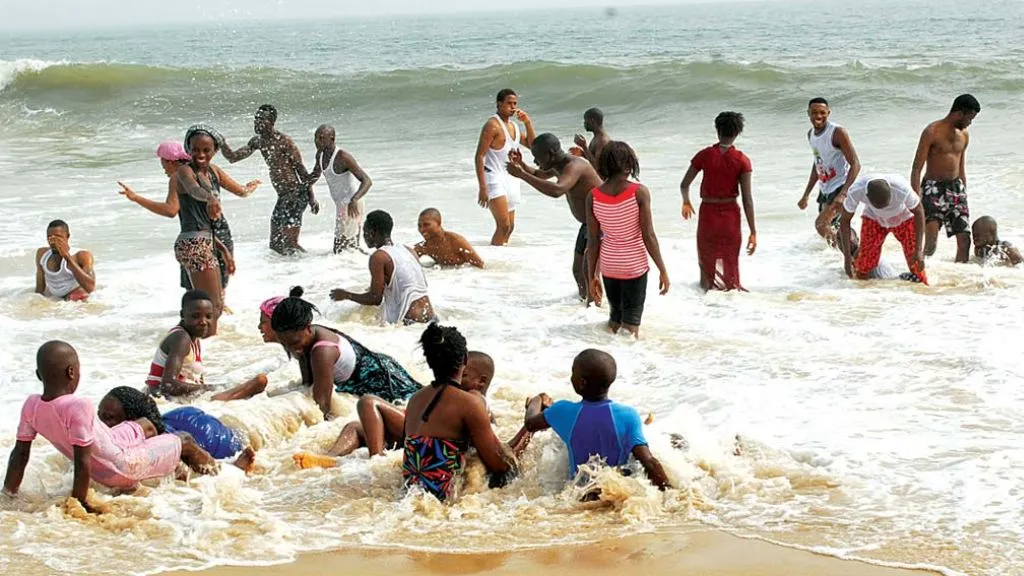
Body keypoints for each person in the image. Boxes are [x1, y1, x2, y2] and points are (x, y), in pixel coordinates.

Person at [3, 342, 211, 512]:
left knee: (145, 425)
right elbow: (82, 460)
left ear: (39, 375)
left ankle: (171, 467)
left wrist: (8, 494)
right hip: (122, 466)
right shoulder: (78, 405)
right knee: (184, 439)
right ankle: (220, 477)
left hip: (110, 447)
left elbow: (20, 455)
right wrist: (79, 502)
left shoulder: (31, 404)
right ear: (72, 372)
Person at [292, 350, 496, 469]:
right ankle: (332, 459)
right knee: (354, 427)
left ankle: (376, 460)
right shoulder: (467, 399)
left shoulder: (474, 399)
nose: (457, 378)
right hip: (414, 434)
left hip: (417, 434)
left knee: (368, 401)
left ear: (481, 382)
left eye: (464, 375)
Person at [118, 140, 260, 296]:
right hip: (220, 232)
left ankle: (209, 315)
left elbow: (171, 210)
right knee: (219, 290)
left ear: (171, 162)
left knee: (196, 293)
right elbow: (242, 191)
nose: (164, 169)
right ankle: (219, 315)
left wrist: (136, 198)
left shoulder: (178, 176)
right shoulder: (212, 170)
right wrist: (250, 187)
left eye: (163, 164)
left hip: (197, 238)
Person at [402, 323, 518, 502]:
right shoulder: (469, 403)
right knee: (510, 473)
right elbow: (498, 464)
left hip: (409, 494)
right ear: (464, 360)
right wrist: (529, 430)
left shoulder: (415, 400)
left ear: (429, 361)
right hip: (445, 500)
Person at [523, 349, 669, 491]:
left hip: (580, 493)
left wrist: (537, 400)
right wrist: (669, 494)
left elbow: (530, 424)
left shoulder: (562, 411)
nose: (570, 377)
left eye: (573, 372)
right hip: (615, 491)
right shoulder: (629, 415)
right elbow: (648, 462)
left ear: (582, 383)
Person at [270, 287, 422, 418]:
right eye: (285, 344)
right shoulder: (305, 338)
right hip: (375, 369)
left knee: (420, 409)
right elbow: (308, 385)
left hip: (383, 380)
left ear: (308, 327)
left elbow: (322, 405)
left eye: (295, 343)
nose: (292, 348)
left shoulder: (322, 351)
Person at [587, 142, 670, 337]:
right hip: (633, 266)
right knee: (631, 326)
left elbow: (593, 240)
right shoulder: (639, 192)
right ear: (629, 164)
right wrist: (663, 270)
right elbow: (648, 235)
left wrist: (593, 275)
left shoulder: (593, 196)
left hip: (609, 265)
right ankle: (630, 361)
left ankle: (612, 355)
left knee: (615, 320)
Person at [507, 133, 603, 300]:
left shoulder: (574, 165)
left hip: (601, 223)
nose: (536, 162)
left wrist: (521, 175)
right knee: (578, 270)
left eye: (537, 157)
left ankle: (596, 308)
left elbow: (557, 190)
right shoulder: (557, 165)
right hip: (588, 224)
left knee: (590, 271)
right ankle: (585, 306)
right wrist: (521, 164)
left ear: (550, 154)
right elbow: (539, 175)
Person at [220, 104, 320, 255]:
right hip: (283, 197)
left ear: (271, 122)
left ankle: (311, 266)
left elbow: (301, 171)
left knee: (291, 244)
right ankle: (289, 273)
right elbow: (233, 158)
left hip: (296, 195)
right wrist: (221, 142)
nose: (257, 122)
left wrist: (312, 198)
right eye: (256, 119)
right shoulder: (258, 141)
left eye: (262, 120)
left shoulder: (283, 140)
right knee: (275, 245)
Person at [169, 126, 238, 335]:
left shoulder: (212, 173)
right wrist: (209, 197)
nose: (200, 154)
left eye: (206, 150)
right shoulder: (184, 171)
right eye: (195, 149)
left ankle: (195, 347)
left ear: (214, 151)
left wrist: (224, 251)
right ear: (188, 149)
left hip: (205, 242)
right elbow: (193, 190)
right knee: (212, 307)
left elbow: (207, 227)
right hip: (194, 244)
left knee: (212, 307)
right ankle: (196, 349)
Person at [679, 112, 757, 291]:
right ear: (738, 132)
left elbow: (684, 184)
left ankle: (705, 301)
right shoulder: (742, 160)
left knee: (707, 259)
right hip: (730, 215)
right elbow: (747, 199)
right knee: (730, 258)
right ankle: (730, 299)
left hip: (708, 213)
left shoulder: (704, 155)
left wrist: (686, 202)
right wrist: (753, 230)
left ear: (717, 130)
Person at [98, 387, 256, 472]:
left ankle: (235, 468)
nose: (102, 424)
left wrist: (227, 472)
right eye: (100, 417)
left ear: (134, 422)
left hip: (207, 434)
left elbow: (187, 446)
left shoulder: (159, 446)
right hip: (176, 419)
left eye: (109, 418)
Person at [146, 290, 268, 400]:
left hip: (177, 398)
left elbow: (196, 380)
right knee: (252, 385)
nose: (204, 322)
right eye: (195, 316)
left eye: (208, 316)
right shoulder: (181, 338)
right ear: (182, 314)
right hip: (162, 400)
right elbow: (168, 385)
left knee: (244, 387)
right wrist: (210, 388)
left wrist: (207, 389)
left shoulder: (193, 338)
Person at [330, 210, 435, 325]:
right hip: (430, 316)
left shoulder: (379, 257)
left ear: (372, 232)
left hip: (411, 321)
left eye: (365, 232)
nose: (364, 236)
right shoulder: (408, 250)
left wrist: (346, 295)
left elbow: (375, 299)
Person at [910, 94, 981, 263]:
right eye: (969, 118)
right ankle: (919, 277)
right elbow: (916, 168)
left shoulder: (964, 135)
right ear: (958, 114)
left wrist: (964, 192)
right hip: (932, 189)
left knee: (965, 240)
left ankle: (959, 281)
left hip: (956, 188)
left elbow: (961, 167)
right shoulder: (932, 132)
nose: (970, 123)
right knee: (931, 243)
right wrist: (915, 198)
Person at [474, 88, 536, 246]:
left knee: (511, 227)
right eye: (509, 103)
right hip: (494, 178)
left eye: (515, 103)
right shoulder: (492, 125)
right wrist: (482, 188)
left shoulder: (514, 126)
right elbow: (479, 156)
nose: (513, 107)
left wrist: (527, 123)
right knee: (503, 226)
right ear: (499, 104)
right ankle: (493, 259)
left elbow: (532, 145)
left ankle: (502, 257)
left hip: (511, 178)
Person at [839, 174, 928, 284]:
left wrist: (919, 250)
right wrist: (847, 259)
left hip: (903, 218)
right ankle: (863, 295)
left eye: (887, 204)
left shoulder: (902, 189)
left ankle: (923, 292)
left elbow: (919, 212)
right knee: (863, 266)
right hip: (874, 219)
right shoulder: (856, 191)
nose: (885, 209)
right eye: (880, 206)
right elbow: (844, 221)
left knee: (916, 263)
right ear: (866, 196)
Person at [797, 98, 861, 243]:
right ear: (808, 113)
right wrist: (806, 194)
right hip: (825, 190)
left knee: (821, 225)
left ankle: (851, 256)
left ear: (828, 113)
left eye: (822, 113)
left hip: (840, 188)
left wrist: (843, 194)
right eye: (814, 113)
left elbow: (855, 164)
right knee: (836, 228)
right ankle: (850, 257)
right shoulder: (810, 135)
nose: (818, 116)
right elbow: (817, 164)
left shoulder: (837, 132)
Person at [309, 125, 373, 253]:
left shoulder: (343, 157)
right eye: (316, 138)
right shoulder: (320, 155)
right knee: (346, 248)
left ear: (332, 139)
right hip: (341, 204)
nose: (317, 141)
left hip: (351, 204)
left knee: (342, 249)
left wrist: (354, 199)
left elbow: (367, 181)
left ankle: (366, 264)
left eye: (321, 138)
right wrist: (311, 197)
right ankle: (363, 265)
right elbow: (313, 177)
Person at [35, 220, 94, 302]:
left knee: (79, 295)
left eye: (58, 237)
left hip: (75, 295)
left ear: (67, 236)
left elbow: (90, 287)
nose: (53, 241)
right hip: (55, 295)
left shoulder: (81, 256)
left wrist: (66, 256)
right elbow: (40, 289)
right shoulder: (42, 254)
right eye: (49, 237)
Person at [414, 208, 484, 268]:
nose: (422, 229)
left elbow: (479, 264)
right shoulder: (423, 247)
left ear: (439, 223)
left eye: (426, 225)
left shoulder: (455, 241)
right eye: (419, 226)